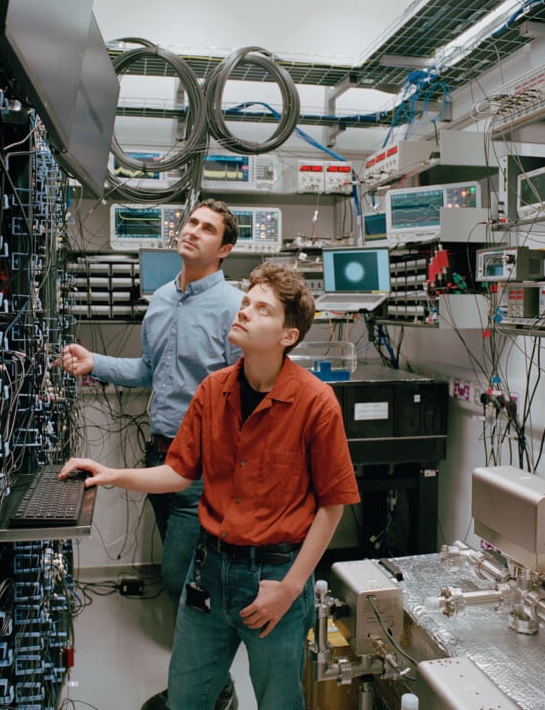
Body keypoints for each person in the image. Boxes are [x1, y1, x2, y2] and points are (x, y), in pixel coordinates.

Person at [60, 262, 360, 710]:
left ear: (288, 336)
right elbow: (180, 473)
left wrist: (291, 587)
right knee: (186, 699)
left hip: (273, 578)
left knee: (279, 701)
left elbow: (333, 505)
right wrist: (112, 474)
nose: (243, 312)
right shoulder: (212, 390)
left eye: (262, 309)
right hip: (208, 573)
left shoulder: (316, 403)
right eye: (245, 303)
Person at [59, 198, 244, 710]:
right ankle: (208, 688)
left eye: (208, 229)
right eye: (191, 223)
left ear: (224, 249)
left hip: (203, 469)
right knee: (181, 582)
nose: (193, 232)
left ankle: (209, 691)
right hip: (159, 454)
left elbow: (244, 392)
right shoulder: (162, 299)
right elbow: (147, 370)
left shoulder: (233, 306)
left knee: (184, 585)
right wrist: (94, 361)